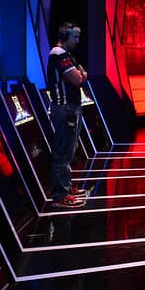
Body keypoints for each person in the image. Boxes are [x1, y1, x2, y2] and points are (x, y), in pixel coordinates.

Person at [46, 22, 89, 208]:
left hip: (71, 108)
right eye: (75, 37)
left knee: (70, 150)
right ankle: (60, 195)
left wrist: (81, 74)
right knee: (63, 152)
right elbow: (78, 78)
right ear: (64, 36)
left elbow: (83, 73)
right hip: (65, 108)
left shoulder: (67, 54)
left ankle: (66, 187)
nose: (77, 41)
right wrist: (80, 75)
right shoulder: (58, 54)